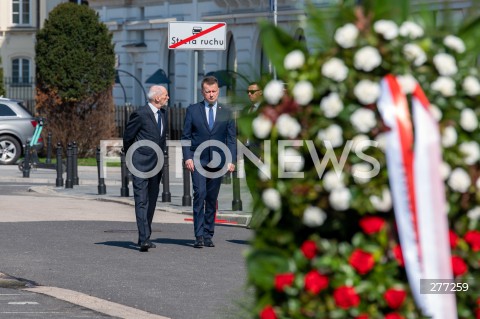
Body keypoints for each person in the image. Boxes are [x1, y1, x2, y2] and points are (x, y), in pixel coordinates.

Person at [181, 76, 236, 248]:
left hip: (218, 161)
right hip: (198, 160)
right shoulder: (193, 110)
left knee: (212, 198)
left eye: (214, 91)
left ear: (218, 91)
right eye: (207, 92)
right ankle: (198, 235)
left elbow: (231, 138)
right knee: (200, 194)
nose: (211, 95)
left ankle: (208, 234)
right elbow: (186, 137)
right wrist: (187, 157)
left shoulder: (226, 111)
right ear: (202, 92)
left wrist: (231, 160)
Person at [123, 85, 169, 252]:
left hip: (156, 164)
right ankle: (143, 239)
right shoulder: (140, 114)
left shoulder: (163, 114)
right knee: (141, 200)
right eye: (165, 95)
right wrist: (132, 157)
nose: (167, 97)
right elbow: (128, 137)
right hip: (140, 163)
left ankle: (146, 234)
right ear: (157, 98)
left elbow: (161, 139)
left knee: (151, 200)